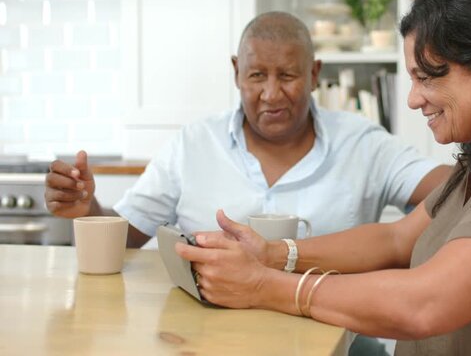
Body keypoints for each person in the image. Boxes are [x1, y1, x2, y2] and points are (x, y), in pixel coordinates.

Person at [175, 0, 471, 355]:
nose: (413, 98)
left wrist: (264, 286)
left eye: (429, 77)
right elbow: (397, 240)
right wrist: (276, 254)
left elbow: (426, 304)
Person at [44, 12, 449, 249]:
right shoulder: (192, 145)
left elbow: (451, 186)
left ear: (313, 74)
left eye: (288, 75)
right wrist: (88, 210)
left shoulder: (364, 144)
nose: (272, 94)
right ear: (236, 72)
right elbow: (127, 235)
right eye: (257, 75)